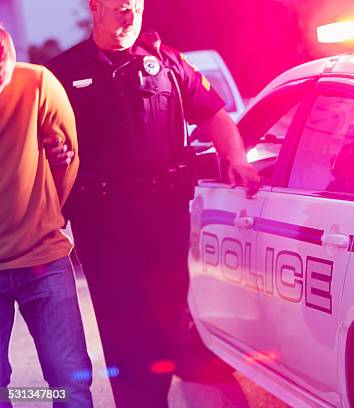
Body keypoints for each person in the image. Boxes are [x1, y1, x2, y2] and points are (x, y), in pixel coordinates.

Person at [46, 1, 260, 406]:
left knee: (167, 324)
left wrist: (236, 159)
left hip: (164, 220)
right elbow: (40, 136)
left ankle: (156, 396)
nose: (129, 18)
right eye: (120, 9)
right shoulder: (62, 73)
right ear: (95, 7)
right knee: (122, 330)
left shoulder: (167, 64)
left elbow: (215, 115)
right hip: (102, 225)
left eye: (135, 10)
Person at [0, 26, 93, 407]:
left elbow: (66, 162)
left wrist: (41, 215)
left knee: (68, 384)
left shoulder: (38, 83)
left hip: (43, 259)